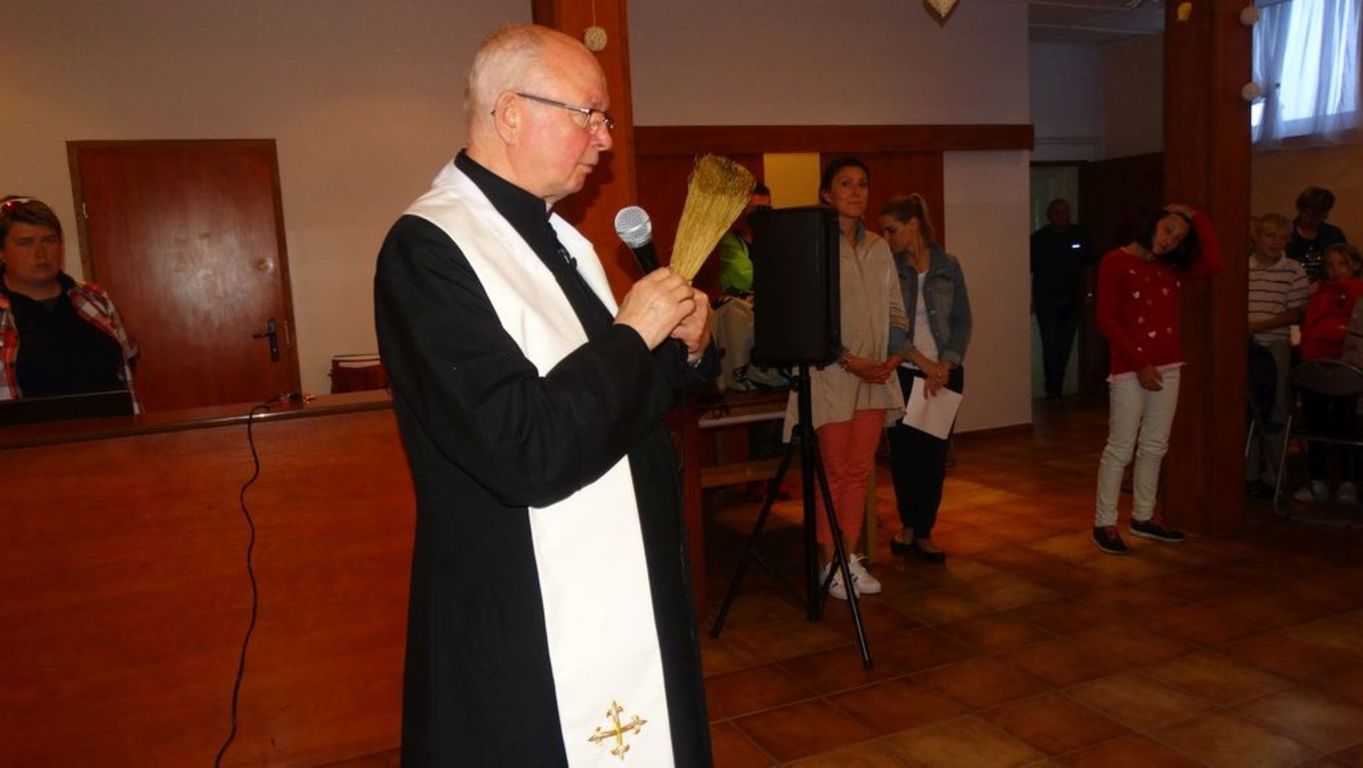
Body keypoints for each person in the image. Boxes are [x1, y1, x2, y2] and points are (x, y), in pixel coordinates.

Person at [373, 25, 715, 766]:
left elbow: (608, 400)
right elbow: (524, 447)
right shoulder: (429, 250)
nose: (604, 140)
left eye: (606, 119)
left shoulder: (562, 240)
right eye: (588, 115)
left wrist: (682, 350)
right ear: (509, 114)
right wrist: (634, 333)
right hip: (522, 608)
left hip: (626, 582)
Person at [792, 156, 905, 599]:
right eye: (845, 184)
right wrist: (848, 359)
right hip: (833, 375)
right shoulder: (815, 245)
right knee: (833, 473)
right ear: (826, 193)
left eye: (862, 184)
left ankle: (850, 557)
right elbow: (809, 315)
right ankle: (829, 562)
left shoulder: (878, 246)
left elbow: (895, 308)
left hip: (875, 376)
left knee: (860, 473)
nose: (856, 192)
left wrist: (893, 355)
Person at [1092, 204, 1221, 554]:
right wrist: (1140, 364)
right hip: (1129, 367)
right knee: (1121, 446)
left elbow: (1213, 262)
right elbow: (1106, 319)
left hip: (1169, 365)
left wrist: (1196, 217)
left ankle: (1144, 516)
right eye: (1168, 230)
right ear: (1152, 223)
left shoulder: (1170, 267)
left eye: (1178, 238)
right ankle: (1104, 522)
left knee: (1155, 445)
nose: (1170, 241)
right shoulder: (1115, 261)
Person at [881, 194, 971, 564]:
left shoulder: (949, 265)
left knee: (933, 458)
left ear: (913, 224)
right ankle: (907, 525)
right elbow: (891, 328)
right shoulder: (891, 269)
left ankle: (924, 531)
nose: (887, 238)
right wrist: (923, 364)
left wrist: (944, 364)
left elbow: (962, 320)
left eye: (892, 230)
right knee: (904, 457)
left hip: (944, 375)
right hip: (906, 374)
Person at [0, 196, 137, 406]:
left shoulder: (95, 298)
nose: (40, 253)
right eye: (25, 243)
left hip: (111, 425)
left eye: (49, 240)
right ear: (2, 253)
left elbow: (127, 360)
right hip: (34, 427)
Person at [1245, 212, 1310, 498]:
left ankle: (1273, 477)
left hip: (1274, 346)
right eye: (1270, 236)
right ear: (1256, 236)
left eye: (1282, 238)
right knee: (1245, 411)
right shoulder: (1243, 267)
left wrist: (1256, 326)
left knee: (1275, 409)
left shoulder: (1293, 270)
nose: (1276, 242)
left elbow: (1294, 313)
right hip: (1244, 349)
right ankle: (1247, 475)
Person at [1293, 243, 1363, 505]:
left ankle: (1348, 481)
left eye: (1342, 264)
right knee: (1316, 423)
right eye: (1330, 265)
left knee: (1345, 425)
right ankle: (1318, 478)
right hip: (1315, 366)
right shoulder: (1318, 293)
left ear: (1355, 265)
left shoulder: (1359, 292)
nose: (1335, 270)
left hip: (1347, 368)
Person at [1030, 198, 1096, 399]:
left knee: (1065, 345)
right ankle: (1053, 389)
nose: (1062, 216)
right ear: (1049, 215)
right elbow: (1028, 271)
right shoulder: (1038, 239)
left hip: (1072, 300)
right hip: (1046, 301)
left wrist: (1089, 293)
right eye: (1057, 212)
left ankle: (1056, 387)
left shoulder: (1079, 235)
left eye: (1065, 211)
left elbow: (1089, 265)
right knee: (1050, 345)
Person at [715, 182, 772, 297]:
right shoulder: (730, 241)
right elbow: (747, 279)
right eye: (755, 209)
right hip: (740, 304)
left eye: (765, 209)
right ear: (742, 210)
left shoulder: (771, 239)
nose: (760, 214)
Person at [1286, 185, 1348, 282]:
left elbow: (1345, 265)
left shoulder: (1333, 235)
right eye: (1307, 215)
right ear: (1300, 210)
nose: (1310, 220)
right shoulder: (1285, 233)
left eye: (1318, 216)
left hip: (1326, 287)